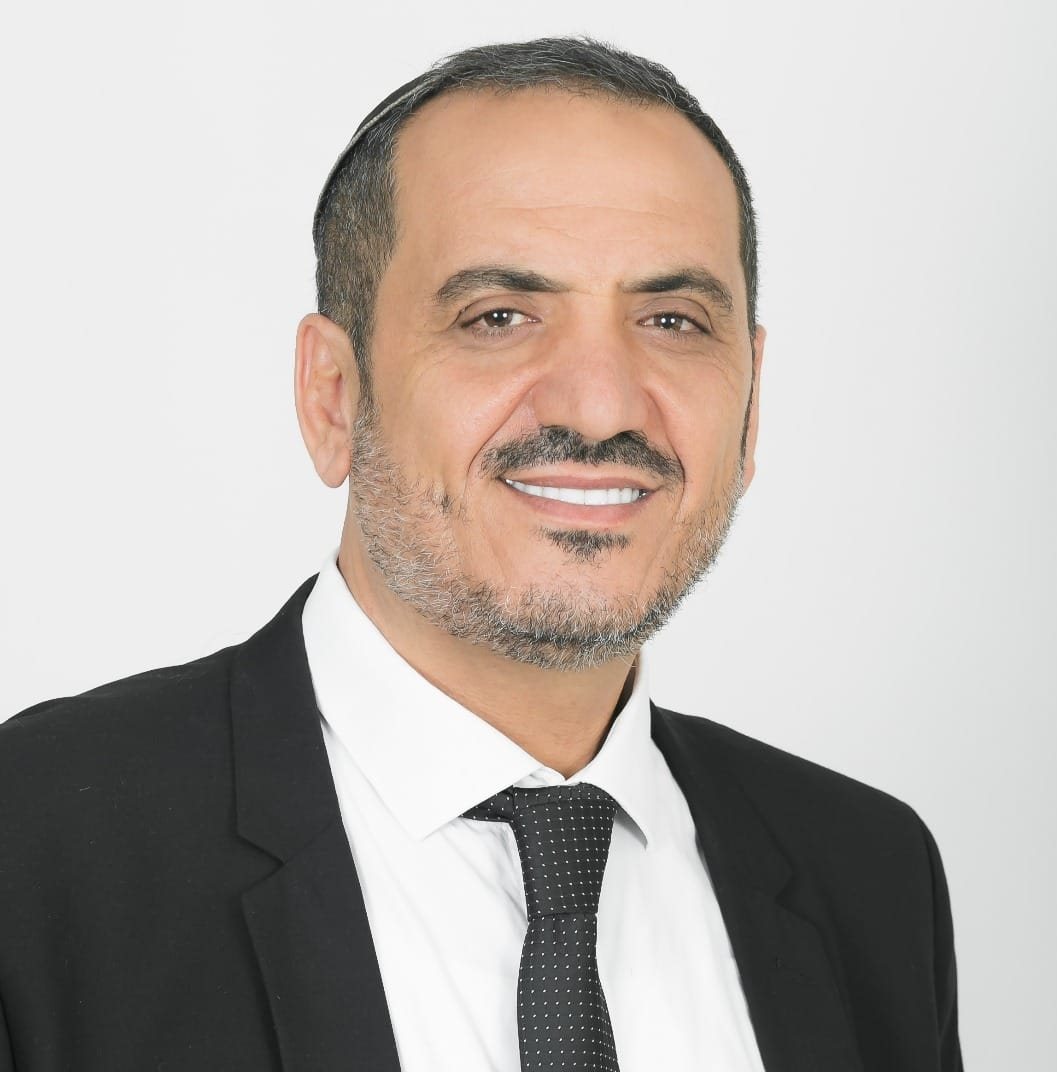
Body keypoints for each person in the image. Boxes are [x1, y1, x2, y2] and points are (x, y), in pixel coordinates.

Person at [0, 37, 962, 1072]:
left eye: (672, 320)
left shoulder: (867, 876)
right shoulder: (36, 844)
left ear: (753, 403)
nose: (600, 404)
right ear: (333, 396)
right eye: (497, 317)